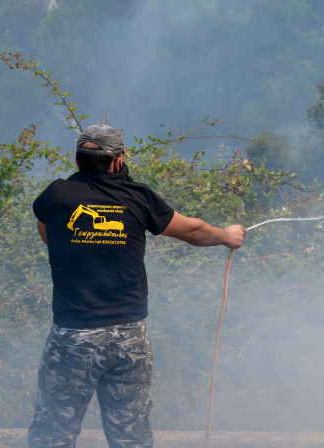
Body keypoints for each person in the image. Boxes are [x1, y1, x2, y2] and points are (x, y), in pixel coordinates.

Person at [28, 124, 245, 448]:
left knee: (53, 435)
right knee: (131, 438)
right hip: (129, 338)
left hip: (74, 338)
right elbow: (193, 231)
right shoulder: (138, 197)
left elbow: (48, 236)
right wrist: (226, 235)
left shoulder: (56, 195)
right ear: (118, 161)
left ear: (77, 161)